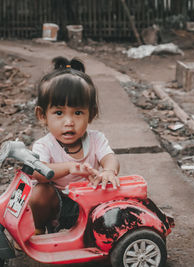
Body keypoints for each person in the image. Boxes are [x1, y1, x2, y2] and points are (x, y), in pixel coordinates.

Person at [29, 56, 120, 235]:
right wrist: (70, 167)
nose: (69, 122)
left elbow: (110, 158)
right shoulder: (44, 145)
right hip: (57, 205)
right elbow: (37, 172)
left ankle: (94, 230)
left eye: (78, 112)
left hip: (90, 201)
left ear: (91, 114)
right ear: (42, 115)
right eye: (59, 113)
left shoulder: (96, 139)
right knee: (40, 193)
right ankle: (39, 227)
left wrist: (108, 171)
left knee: (115, 191)